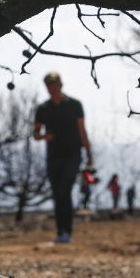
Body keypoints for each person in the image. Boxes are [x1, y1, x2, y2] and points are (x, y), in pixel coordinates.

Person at [34, 72, 92, 243]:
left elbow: (82, 130)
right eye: (48, 85)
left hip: (73, 155)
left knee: (65, 190)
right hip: (53, 157)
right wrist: (45, 137)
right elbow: (35, 134)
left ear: (60, 84)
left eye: (54, 84)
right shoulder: (43, 109)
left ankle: (67, 231)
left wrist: (89, 153)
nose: (51, 88)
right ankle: (61, 232)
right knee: (57, 194)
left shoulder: (75, 105)